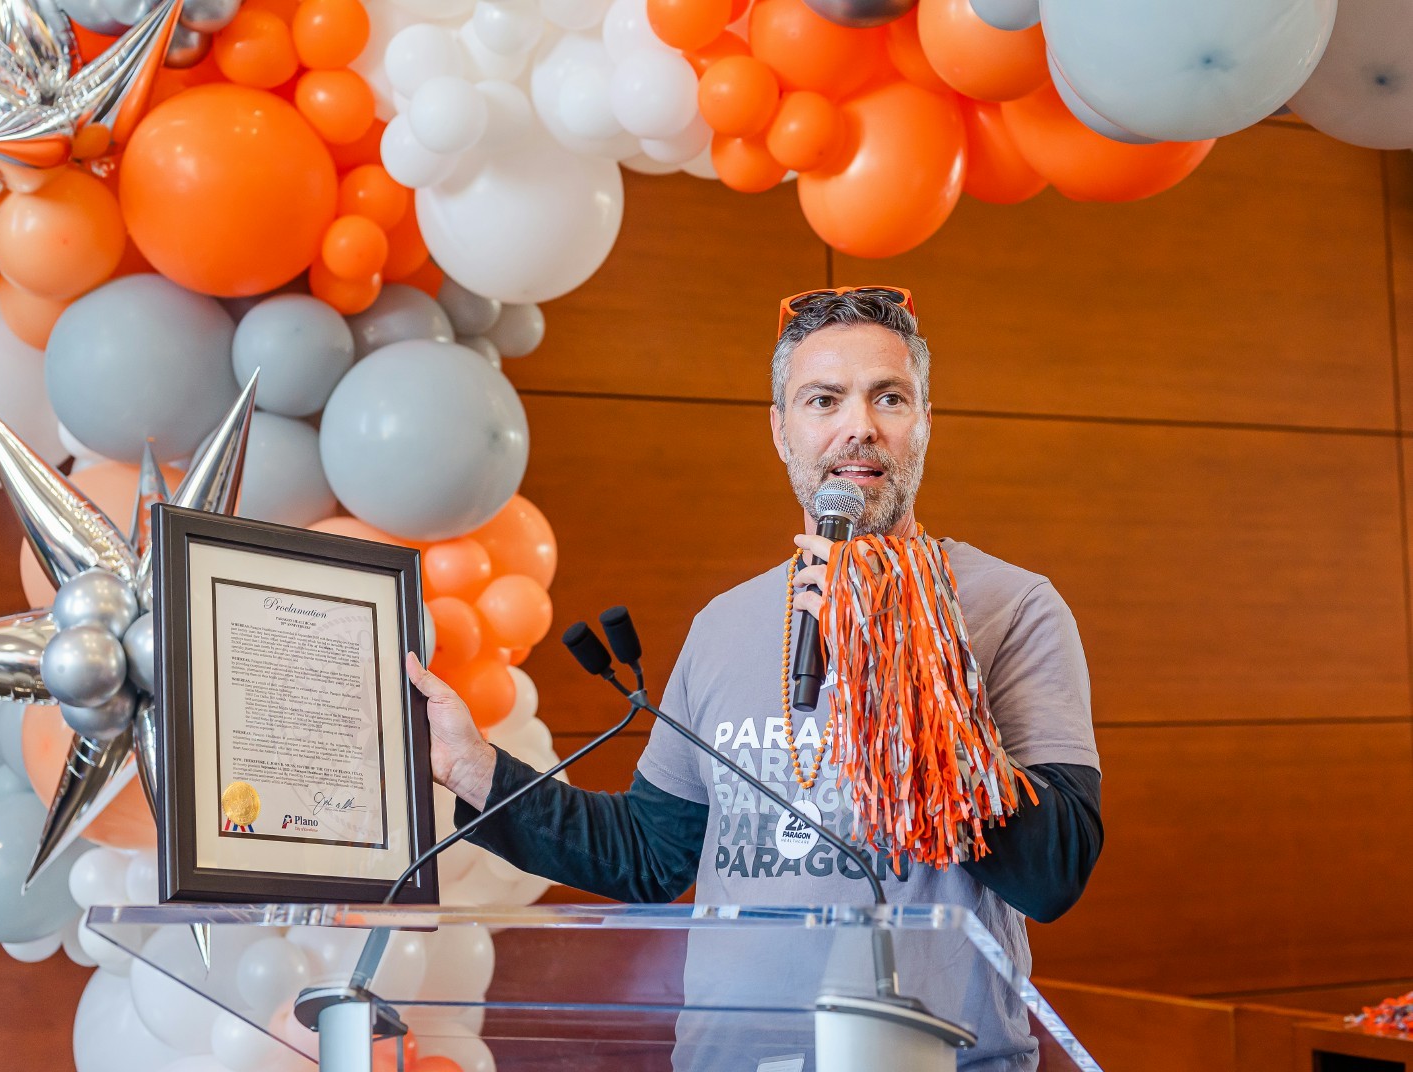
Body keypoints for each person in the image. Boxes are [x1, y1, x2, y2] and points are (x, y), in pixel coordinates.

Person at [404, 286, 1103, 1065]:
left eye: (890, 398)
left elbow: (1052, 875)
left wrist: (894, 657)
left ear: (924, 424)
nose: (858, 426)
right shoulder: (725, 624)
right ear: (781, 430)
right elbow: (650, 855)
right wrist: (472, 768)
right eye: (823, 399)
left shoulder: (1013, 607)